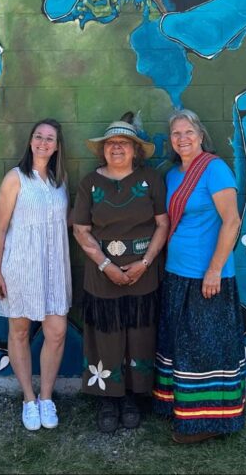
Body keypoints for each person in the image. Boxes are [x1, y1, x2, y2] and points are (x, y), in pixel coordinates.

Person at [71, 113, 169, 433]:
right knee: (106, 336)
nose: (116, 149)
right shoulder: (90, 183)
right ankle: (107, 398)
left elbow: (162, 224)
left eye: (124, 144)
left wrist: (145, 262)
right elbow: (81, 230)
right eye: (111, 143)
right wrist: (106, 265)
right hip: (102, 274)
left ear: (135, 150)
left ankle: (131, 396)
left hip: (144, 271)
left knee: (139, 335)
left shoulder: (151, 179)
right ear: (103, 150)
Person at [152, 108, 245, 443]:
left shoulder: (215, 170)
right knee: (181, 346)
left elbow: (231, 221)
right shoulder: (172, 176)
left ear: (201, 134)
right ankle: (182, 410)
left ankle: (208, 422)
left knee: (206, 349)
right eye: (176, 134)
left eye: (188, 132)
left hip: (209, 276)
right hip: (178, 275)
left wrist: (215, 269)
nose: (183, 139)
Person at [0, 119, 71, 432]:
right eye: (38, 136)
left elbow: (66, 222)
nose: (43, 142)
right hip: (21, 267)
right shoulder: (15, 179)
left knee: (56, 331)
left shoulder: (60, 181)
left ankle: (47, 397)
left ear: (57, 146)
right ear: (30, 141)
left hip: (54, 269)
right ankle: (28, 399)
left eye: (50, 138)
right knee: (20, 332)